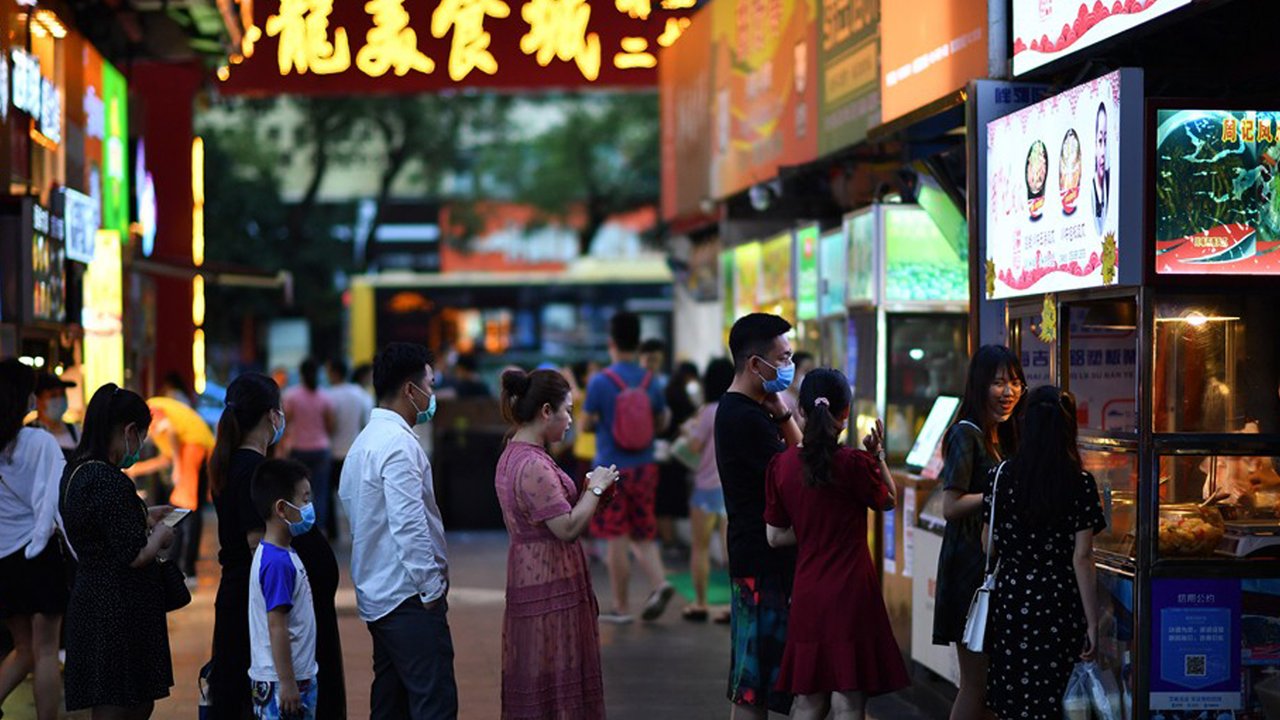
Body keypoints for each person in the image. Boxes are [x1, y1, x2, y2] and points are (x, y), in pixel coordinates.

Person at [763, 369, 909, 719]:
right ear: (846, 413)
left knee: (808, 700)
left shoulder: (781, 466)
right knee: (848, 700)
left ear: (801, 410)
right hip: (853, 594)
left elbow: (775, 536)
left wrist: (812, 527)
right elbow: (889, 500)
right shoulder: (855, 463)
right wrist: (878, 457)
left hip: (808, 594)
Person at [207, 374, 346, 720]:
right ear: (273, 415)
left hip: (244, 602)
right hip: (265, 610)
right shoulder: (256, 473)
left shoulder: (232, 464)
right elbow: (260, 545)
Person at [340, 343, 457, 719]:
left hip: (378, 595)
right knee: (432, 702)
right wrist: (431, 588)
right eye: (431, 385)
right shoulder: (398, 445)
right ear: (410, 389)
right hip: (408, 596)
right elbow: (409, 525)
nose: (432, 394)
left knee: (390, 704)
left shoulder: (364, 443)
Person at [494, 368, 619, 719]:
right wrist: (596, 488)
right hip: (550, 579)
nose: (571, 420)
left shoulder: (513, 453)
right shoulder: (534, 464)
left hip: (531, 572)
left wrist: (591, 495)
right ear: (546, 411)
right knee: (558, 667)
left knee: (540, 671)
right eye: (567, 410)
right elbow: (566, 527)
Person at [983, 386, 1105, 720]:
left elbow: (988, 545)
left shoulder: (1000, 477)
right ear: (1067, 429)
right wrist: (1092, 622)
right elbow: (1082, 557)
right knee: (1057, 700)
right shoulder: (1080, 483)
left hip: (1012, 602)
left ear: (1026, 425)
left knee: (1015, 702)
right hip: (1060, 605)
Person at [60, 384, 176, 720]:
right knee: (121, 700)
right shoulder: (107, 479)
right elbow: (135, 554)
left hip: (94, 598)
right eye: (142, 435)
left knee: (119, 696)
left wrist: (143, 514)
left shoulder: (77, 470)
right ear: (129, 431)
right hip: (117, 608)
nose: (140, 445)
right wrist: (161, 535)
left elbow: (102, 527)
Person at [716, 313, 803, 719]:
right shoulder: (744, 418)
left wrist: (781, 413)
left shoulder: (747, 409)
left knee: (755, 684)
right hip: (760, 562)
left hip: (757, 559)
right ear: (755, 364)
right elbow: (801, 472)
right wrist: (783, 416)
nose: (789, 366)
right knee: (754, 687)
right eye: (783, 358)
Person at [932, 344, 1026, 720]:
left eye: (1015, 382)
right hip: (969, 573)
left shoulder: (1002, 435)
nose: (1009, 391)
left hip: (992, 570)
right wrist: (999, 491)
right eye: (998, 382)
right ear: (979, 385)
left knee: (992, 688)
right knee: (976, 683)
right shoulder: (965, 434)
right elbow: (950, 505)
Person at [583, 313, 674, 624]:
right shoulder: (650, 380)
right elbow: (660, 421)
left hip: (611, 469)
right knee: (643, 531)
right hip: (645, 466)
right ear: (637, 344)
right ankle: (660, 582)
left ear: (611, 342)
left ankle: (621, 607)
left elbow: (586, 423)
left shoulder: (600, 382)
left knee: (616, 536)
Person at [0, 360, 68, 720]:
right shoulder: (39, 441)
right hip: (38, 555)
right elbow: (55, 501)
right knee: (45, 652)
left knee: (23, 649)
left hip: (4, 559)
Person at [248, 460, 320, 720]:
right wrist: (288, 683)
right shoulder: (277, 563)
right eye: (304, 500)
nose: (310, 507)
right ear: (281, 508)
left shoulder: (281, 553)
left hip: (291, 676)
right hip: (284, 683)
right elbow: (277, 625)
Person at [126, 396, 215, 581]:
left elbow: (171, 430)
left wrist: (178, 467)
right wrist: (138, 469)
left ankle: (185, 568)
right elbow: (165, 459)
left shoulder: (151, 410)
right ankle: (183, 566)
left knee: (183, 506)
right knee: (184, 508)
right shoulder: (158, 429)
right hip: (196, 446)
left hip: (194, 445)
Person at [682, 357, 734, 624]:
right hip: (730, 488)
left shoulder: (708, 411)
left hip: (704, 488)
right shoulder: (736, 409)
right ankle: (734, 605)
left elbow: (693, 447)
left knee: (700, 548)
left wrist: (688, 431)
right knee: (731, 551)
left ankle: (701, 603)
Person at [284, 359, 336, 535]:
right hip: (321, 449)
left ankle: (298, 528)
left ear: (301, 374)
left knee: (298, 492)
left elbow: (286, 422)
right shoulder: (325, 397)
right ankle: (318, 530)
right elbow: (331, 426)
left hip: (297, 449)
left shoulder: (291, 396)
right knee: (320, 493)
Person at [324, 359, 373, 539]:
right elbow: (366, 424)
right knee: (357, 496)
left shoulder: (327, 395)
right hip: (354, 452)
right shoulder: (361, 395)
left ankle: (332, 533)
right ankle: (360, 532)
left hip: (332, 451)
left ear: (334, 373)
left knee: (328, 496)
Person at [656, 360, 699, 555]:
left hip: (663, 453)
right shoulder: (681, 396)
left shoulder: (666, 392)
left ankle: (669, 540)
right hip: (676, 455)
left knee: (664, 498)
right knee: (669, 498)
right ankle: (670, 541)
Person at [28, 372, 80, 459]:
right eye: (53, 395)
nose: (59, 400)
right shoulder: (28, 434)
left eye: (62, 394)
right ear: (38, 401)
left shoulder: (76, 431)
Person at [781, 351, 815, 417]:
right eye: (806, 371)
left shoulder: (804, 400)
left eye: (812, 372)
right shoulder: (783, 400)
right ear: (793, 372)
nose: (811, 376)